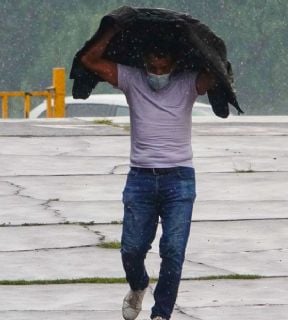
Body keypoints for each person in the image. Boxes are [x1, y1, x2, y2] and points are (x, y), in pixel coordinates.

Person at [81, 23, 215, 320]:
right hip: (140, 178)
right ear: (144, 63)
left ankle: (161, 314)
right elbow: (89, 61)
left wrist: (197, 40)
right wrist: (111, 30)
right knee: (131, 249)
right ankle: (139, 285)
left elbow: (217, 69)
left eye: (163, 66)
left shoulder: (188, 82)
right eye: (152, 66)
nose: (157, 72)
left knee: (173, 250)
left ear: (175, 63)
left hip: (179, 179)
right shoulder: (132, 79)